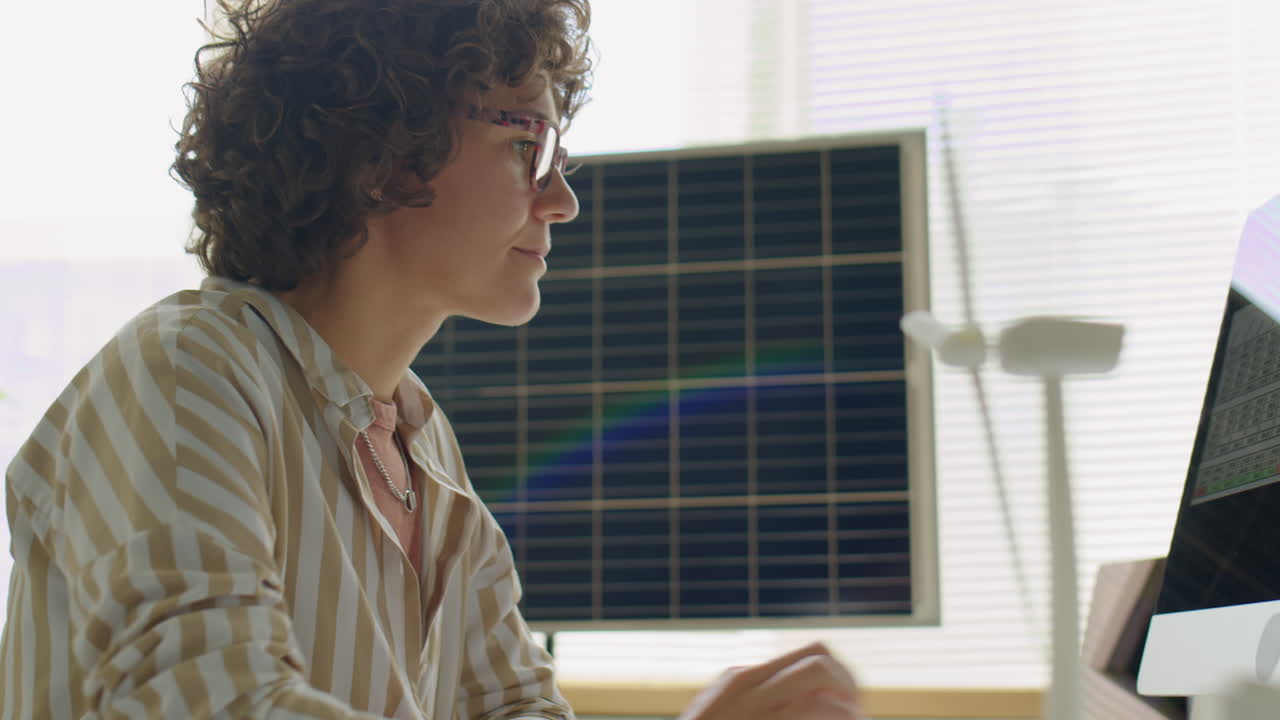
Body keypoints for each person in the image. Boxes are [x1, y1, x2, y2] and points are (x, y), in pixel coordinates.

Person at [0, 0, 862, 718]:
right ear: (381, 154)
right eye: (531, 146)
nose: (561, 201)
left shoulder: (427, 452)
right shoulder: (185, 373)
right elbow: (218, 704)